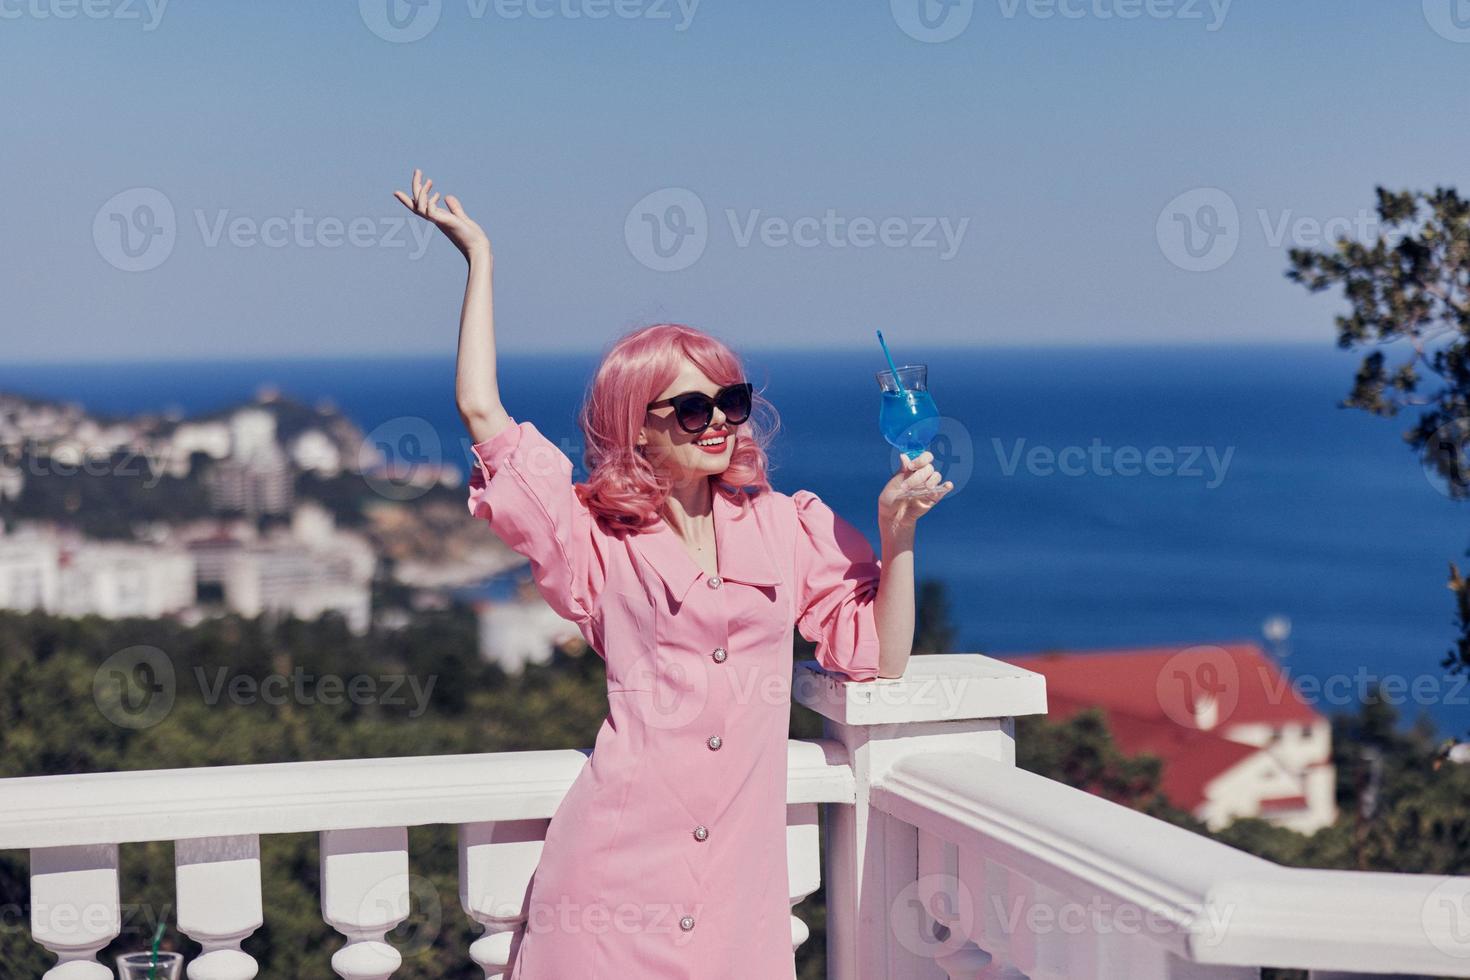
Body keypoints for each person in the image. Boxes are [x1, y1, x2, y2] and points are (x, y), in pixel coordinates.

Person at [394, 168, 952, 979]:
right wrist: (479, 256)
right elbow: (485, 414)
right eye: (692, 410)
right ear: (639, 430)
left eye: (729, 400)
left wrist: (897, 533)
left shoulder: (787, 524)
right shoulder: (593, 537)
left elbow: (880, 656)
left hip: (739, 894)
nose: (721, 422)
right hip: (612, 882)